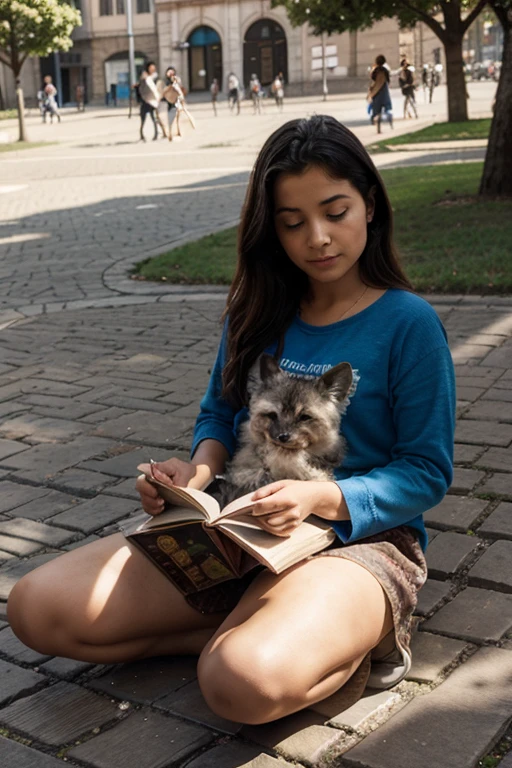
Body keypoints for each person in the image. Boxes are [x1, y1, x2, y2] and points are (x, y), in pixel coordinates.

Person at [7, 115, 455, 725]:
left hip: (357, 539)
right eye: (293, 223)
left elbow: (426, 472)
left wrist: (322, 500)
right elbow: (219, 413)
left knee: (239, 683)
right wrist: (194, 471)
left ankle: (350, 641)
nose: (317, 238)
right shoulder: (259, 311)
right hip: (239, 524)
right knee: (36, 608)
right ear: (272, 229)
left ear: (370, 206)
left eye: (335, 211)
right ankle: (235, 629)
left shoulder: (409, 324)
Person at [368, 55, 393, 133]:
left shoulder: (376, 70)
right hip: (384, 91)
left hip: (377, 92)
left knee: (378, 112)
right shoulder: (385, 70)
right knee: (387, 110)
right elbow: (388, 80)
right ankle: (390, 123)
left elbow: (373, 79)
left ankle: (378, 129)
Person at [138, 61, 161, 141]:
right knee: (143, 119)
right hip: (145, 101)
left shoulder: (155, 77)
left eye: (153, 68)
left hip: (153, 101)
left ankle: (156, 134)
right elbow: (141, 89)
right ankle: (142, 135)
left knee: (154, 118)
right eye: (151, 68)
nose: (152, 69)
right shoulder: (144, 78)